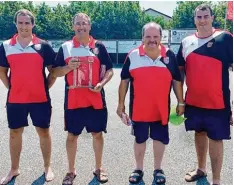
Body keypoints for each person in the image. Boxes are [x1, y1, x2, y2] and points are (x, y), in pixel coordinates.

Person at [117, 22, 184, 184]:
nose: (152, 40)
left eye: (155, 36)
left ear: (161, 37)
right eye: (148, 36)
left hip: (161, 109)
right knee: (139, 139)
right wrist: (121, 105)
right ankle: (138, 169)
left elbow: (176, 80)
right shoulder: (133, 55)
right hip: (139, 110)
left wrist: (181, 102)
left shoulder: (169, 55)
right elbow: (124, 81)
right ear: (142, 38)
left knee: (159, 139)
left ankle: (158, 169)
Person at [52, 12, 113, 185]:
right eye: (77, 23)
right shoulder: (65, 47)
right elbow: (54, 72)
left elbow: (109, 70)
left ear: (89, 26)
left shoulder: (99, 47)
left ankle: (99, 168)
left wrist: (102, 84)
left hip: (95, 99)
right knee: (72, 136)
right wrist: (66, 68)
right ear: (73, 27)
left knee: (97, 134)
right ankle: (71, 171)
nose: (81, 26)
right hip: (73, 100)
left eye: (84, 23)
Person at [176, 4, 233, 185]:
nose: (202, 20)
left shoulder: (225, 38)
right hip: (193, 102)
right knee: (199, 133)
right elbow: (180, 72)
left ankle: (216, 180)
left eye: (205, 16)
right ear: (194, 19)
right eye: (199, 17)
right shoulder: (186, 42)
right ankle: (201, 169)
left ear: (212, 17)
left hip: (218, 102)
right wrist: (180, 100)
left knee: (216, 138)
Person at [0, 9, 56, 184]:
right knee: (15, 133)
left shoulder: (43, 46)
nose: (24, 26)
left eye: (27, 22)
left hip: (40, 99)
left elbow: (53, 71)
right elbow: (2, 71)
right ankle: (14, 169)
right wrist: (12, 87)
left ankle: (47, 167)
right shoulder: (6, 45)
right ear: (16, 24)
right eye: (20, 22)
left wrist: (45, 87)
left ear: (33, 24)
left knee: (44, 132)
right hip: (16, 100)